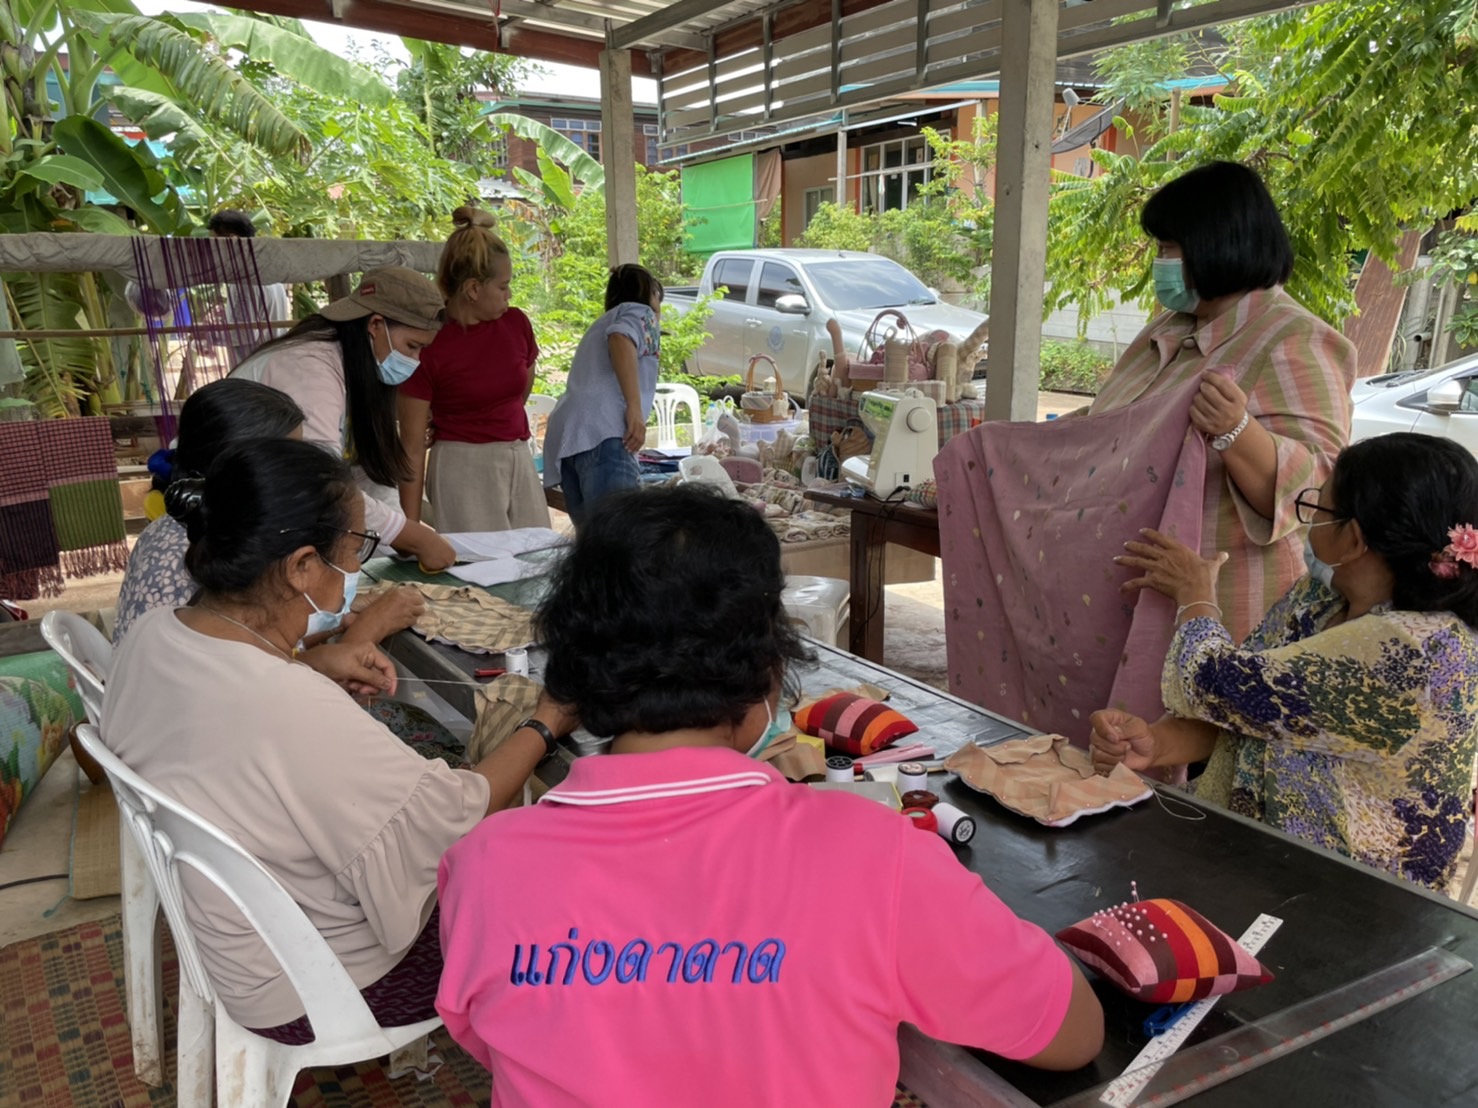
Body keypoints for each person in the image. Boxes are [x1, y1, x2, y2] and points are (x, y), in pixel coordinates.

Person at [435, 485, 1104, 1105]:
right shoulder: (877, 857)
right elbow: (1071, 1033)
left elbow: (499, 1045)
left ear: (576, 673)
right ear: (769, 669)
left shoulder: (482, 867)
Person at [101, 437, 575, 1040]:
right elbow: (458, 818)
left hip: (231, 939)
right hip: (313, 985)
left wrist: (311, 664)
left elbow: (236, 712)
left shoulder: (154, 633)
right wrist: (547, 721)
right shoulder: (286, 704)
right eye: (355, 550)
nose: (356, 569)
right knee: (554, 889)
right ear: (301, 566)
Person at [1091, 433, 1478, 893]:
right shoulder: (1318, 599)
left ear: (1353, 539)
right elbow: (1247, 711)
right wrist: (1155, 744)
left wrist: (1195, 596)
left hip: (1356, 902)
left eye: (1318, 507)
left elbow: (1213, 681)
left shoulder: (1419, 653)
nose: (1309, 521)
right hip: (1259, 864)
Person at [1085, 160, 1358, 643]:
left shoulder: (1293, 339)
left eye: (1168, 248)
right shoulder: (1166, 328)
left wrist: (1237, 431)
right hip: (1131, 586)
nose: (1160, 263)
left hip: (1225, 603)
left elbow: (1319, 488)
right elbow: (1111, 423)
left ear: (1214, 244)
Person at [114, 378, 422, 650]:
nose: (297, 477)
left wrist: (338, 618)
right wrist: (366, 632)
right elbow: (245, 675)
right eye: (285, 463)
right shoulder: (195, 549)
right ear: (241, 466)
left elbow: (256, 638)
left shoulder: (198, 525)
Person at [234, 267, 456, 570]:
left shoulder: (360, 365)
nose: (415, 361)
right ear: (375, 325)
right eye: (412, 346)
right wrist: (410, 536)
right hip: (237, 517)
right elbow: (319, 480)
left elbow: (367, 474)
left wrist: (399, 536)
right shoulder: (309, 367)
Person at [397, 207, 551, 533]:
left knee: (537, 552)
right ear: (473, 289)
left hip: (517, 454)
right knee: (479, 560)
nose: (509, 295)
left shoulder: (516, 324)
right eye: (503, 287)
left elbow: (521, 389)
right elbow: (412, 446)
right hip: (461, 467)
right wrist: (410, 529)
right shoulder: (428, 342)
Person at [539, 264, 663, 523]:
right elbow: (620, 338)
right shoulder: (641, 313)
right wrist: (634, 408)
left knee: (593, 540)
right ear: (649, 294)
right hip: (604, 434)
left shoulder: (604, 321)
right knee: (617, 537)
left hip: (571, 436)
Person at [208, 208, 289, 363]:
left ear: (231, 240)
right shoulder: (270, 274)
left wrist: (210, 335)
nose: (211, 251)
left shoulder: (244, 281)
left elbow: (245, 334)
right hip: (272, 363)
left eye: (213, 242)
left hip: (255, 368)